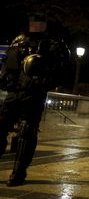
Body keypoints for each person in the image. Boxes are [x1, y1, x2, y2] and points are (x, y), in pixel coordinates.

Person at [0, 14, 70, 186]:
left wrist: (45, 83)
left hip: (34, 93)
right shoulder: (19, 41)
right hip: (14, 93)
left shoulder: (52, 45)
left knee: (27, 132)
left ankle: (18, 173)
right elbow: (7, 64)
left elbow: (61, 71)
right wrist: (5, 79)